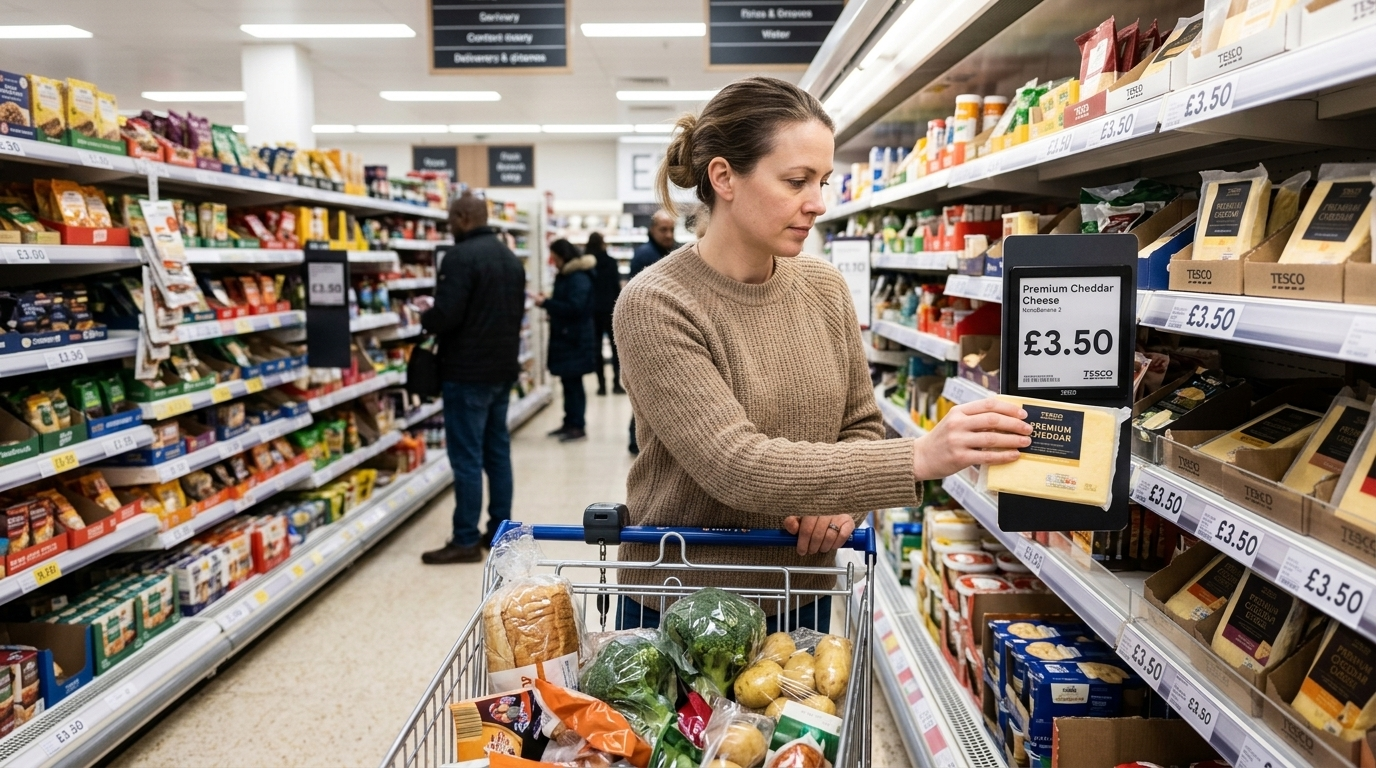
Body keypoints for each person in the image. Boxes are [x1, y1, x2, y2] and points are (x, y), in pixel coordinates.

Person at [612, 76, 1032, 631]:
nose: (818, 203)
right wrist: (917, 457)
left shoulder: (824, 286)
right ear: (724, 177)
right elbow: (735, 464)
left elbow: (859, 423)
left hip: (798, 593)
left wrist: (841, 509)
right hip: (681, 606)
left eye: (824, 180)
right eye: (796, 181)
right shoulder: (654, 303)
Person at [418, 192, 527, 565]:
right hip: (501, 370)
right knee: (497, 452)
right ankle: (500, 530)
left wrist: (425, 314)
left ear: (464, 217)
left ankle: (464, 538)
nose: (449, 225)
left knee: (466, 457)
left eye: (450, 218)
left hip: (466, 372)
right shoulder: (510, 258)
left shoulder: (460, 257)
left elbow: (447, 316)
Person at [626, 210, 680, 454]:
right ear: (651, 230)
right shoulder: (644, 256)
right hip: (647, 333)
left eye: (671, 230)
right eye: (663, 230)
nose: (668, 235)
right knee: (645, 393)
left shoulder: (675, 251)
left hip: (672, 330)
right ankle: (636, 441)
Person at [537, 239, 598, 442]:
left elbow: (575, 308)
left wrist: (547, 304)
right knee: (568, 383)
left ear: (562, 255)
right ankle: (569, 422)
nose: (552, 261)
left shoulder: (577, 277)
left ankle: (577, 425)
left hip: (574, 339)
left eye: (554, 257)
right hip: (568, 337)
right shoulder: (567, 275)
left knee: (574, 385)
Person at [586, 232, 623, 396]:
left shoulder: (586, 265)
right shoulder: (610, 262)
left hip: (593, 312)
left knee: (597, 349)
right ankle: (616, 383)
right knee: (616, 349)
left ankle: (601, 385)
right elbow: (616, 287)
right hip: (610, 309)